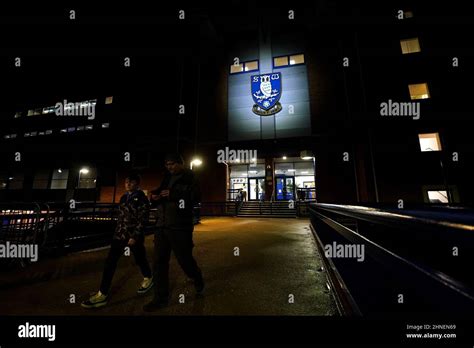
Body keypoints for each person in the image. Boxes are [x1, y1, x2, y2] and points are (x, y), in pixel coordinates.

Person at [81, 173, 153, 309]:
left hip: (133, 237)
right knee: (110, 262)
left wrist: (135, 236)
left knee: (140, 258)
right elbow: (121, 218)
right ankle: (102, 294)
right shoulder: (124, 197)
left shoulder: (141, 198)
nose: (128, 184)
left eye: (131, 182)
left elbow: (143, 219)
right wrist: (116, 233)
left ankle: (148, 277)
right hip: (119, 236)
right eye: (126, 182)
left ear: (137, 184)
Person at [143, 153, 204, 311]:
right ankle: (160, 298)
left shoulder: (191, 177)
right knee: (159, 262)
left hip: (179, 226)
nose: (169, 167)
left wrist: (174, 194)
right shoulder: (166, 177)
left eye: (171, 164)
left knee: (184, 260)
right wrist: (154, 196)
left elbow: (196, 197)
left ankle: (197, 277)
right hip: (162, 225)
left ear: (180, 163)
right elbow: (161, 192)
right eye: (167, 165)